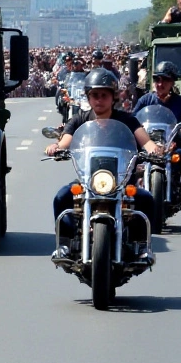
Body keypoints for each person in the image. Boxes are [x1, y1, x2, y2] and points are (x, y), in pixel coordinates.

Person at [44, 68, 166, 259]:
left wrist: (154, 149)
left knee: (146, 200)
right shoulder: (79, 120)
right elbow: (66, 141)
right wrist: (56, 147)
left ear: (113, 97)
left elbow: (146, 141)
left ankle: (142, 246)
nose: (99, 100)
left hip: (122, 183)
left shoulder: (127, 120)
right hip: (88, 182)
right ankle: (64, 244)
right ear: (88, 97)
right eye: (94, 95)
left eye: (104, 95)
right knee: (61, 197)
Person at [132, 61, 181, 203]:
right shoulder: (146, 100)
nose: (160, 84)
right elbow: (132, 119)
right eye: (157, 79)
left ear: (173, 82)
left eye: (165, 80)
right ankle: (127, 189)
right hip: (147, 146)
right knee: (130, 157)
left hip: (170, 147)